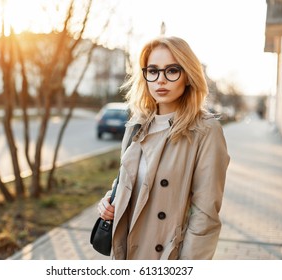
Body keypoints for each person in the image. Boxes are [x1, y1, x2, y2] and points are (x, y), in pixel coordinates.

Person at [97, 36, 230, 260]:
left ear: (187, 76)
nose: (161, 80)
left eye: (172, 70)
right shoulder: (137, 124)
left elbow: (205, 217)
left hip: (166, 256)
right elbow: (127, 180)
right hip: (126, 250)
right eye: (153, 70)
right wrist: (109, 200)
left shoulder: (206, 131)